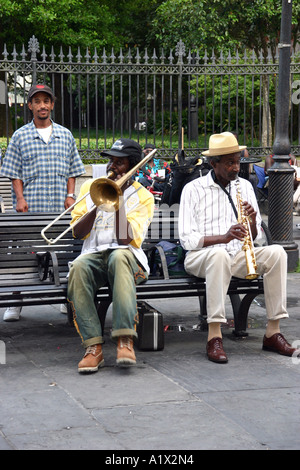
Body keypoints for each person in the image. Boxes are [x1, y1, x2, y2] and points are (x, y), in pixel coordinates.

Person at [179, 131, 299, 363]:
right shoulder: (193, 190)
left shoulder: (244, 186)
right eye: (230, 163)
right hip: (201, 257)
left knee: (276, 253)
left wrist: (253, 223)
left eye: (237, 161)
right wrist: (223, 238)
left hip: (236, 256)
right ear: (214, 164)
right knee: (218, 254)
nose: (236, 168)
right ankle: (214, 336)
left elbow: (256, 239)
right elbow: (187, 240)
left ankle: (273, 332)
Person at [67, 138, 154, 373]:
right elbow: (77, 233)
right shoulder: (90, 188)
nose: (112, 166)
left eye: (120, 162)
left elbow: (126, 240)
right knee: (78, 267)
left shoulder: (144, 197)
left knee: (118, 256)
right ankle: (93, 347)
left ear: (133, 166)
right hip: (94, 255)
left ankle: (125, 339)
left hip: (128, 258)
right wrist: (98, 203)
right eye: (111, 161)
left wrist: (118, 200)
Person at [0, 84, 85, 321]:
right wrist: (19, 198)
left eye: (46, 101)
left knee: (61, 252)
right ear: (30, 106)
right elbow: (14, 171)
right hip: (31, 205)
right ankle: (15, 301)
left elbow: (73, 169)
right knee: (25, 252)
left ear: (52, 104)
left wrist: (71, 194)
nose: (42, 106)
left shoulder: (65, 135)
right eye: (36, 101)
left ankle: (62, 299)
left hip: (60, 205)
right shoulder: (20, 136)